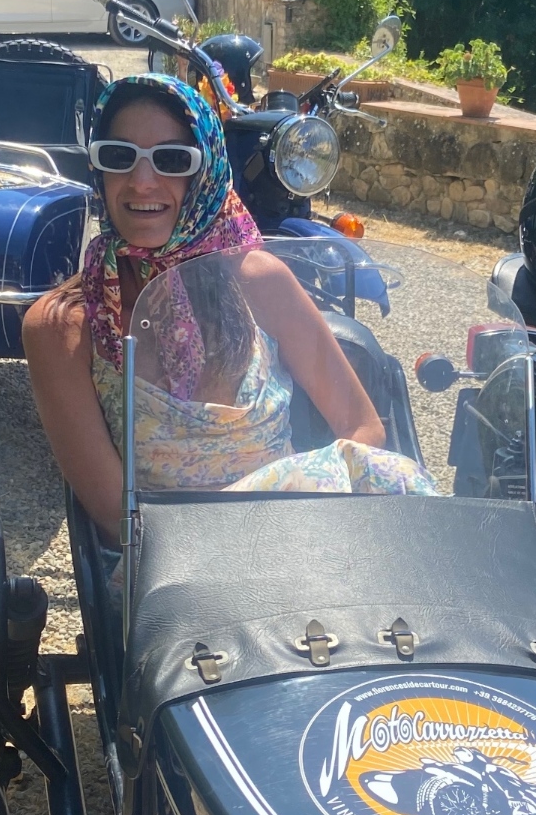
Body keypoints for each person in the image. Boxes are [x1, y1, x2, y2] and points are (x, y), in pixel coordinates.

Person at [24, 75, 431, 541]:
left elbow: (362, 428)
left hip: (298, 539)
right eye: (119, 156)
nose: (141, 181)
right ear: (97, 168)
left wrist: (303, 511)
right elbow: (120, 522)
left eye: (171, 160)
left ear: (206, 171)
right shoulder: (65, 325)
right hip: (170, 572)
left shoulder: (259, 281)